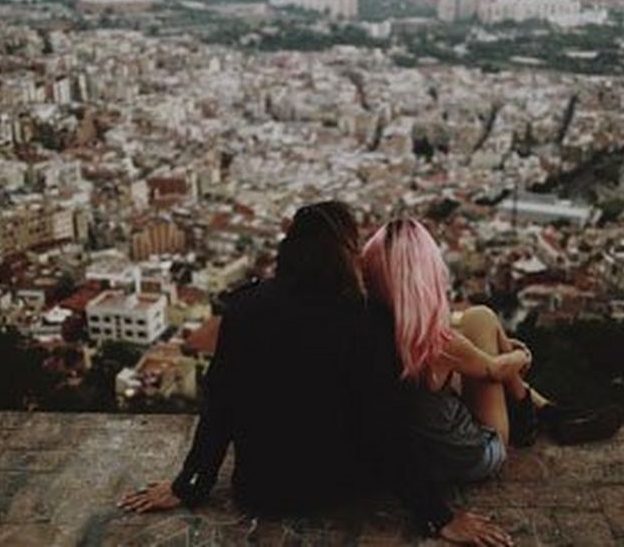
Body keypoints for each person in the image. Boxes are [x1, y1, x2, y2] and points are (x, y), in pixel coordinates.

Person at [119, 202, 514, 546]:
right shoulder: (365, 323)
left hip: (261, 490)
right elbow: (383, 430)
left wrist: (189, 484)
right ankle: (528, 405)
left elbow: (220, 405)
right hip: (345, 489)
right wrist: (438, 517)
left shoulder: (243, 310)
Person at [361, 218, 611, 485]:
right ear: (427, 274)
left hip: (425, 453)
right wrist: (522, 356)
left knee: (478, 318)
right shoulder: (438, 343)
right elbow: (495, 370)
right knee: (482, 318)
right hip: (475, 454)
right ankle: (535, 416)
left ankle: (548, 411)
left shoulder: (373, 329)